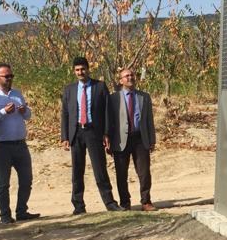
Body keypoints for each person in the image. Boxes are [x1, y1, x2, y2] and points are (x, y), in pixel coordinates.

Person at [60, 56, 121, 214]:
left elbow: (108, 112)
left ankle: (110, 203)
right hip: (76, 133)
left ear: (88, 69)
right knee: (77, 171)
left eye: (83, 69)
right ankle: (78, 206)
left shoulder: (99, 86)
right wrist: (65, 137)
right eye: (77, 70)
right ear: (74, 71)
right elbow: (65, 114)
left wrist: (107, 133)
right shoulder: (69, 89)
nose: (80, 72)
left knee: (100, 169)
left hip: (94, 132)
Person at [0, 63, 40, 224]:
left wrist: (24, 111)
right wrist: (3, 112)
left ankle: (22, 211)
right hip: (1, 145)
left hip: (20, 144)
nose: (9, 79)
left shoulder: (17, 94)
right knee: (3, 183)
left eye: (11, 76)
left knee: (26, 179)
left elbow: (27, 116)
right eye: (6, 76)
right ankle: (5, 215)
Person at [107, 68, 157, 211]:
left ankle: (146, 201)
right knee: (121, 173)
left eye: (131, 75)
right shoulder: (113, 98)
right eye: (126, 76)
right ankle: (125, 203)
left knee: (144, 172)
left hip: (140, 138)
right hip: (121, 139)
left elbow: (149, 120)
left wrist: (152, 139)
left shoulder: (144, 97)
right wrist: (107, 139)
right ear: (121, 80)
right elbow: (109, 121)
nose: (130, 78)